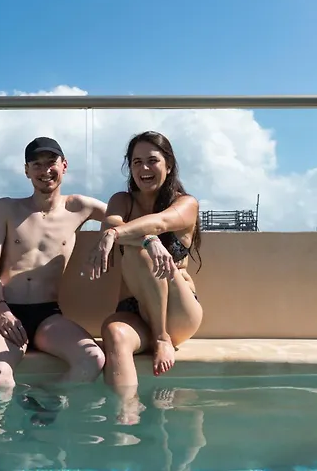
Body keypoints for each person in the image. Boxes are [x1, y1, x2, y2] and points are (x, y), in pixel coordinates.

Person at [86, 130, 203, 421]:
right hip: (134, 311)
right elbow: (112, 223)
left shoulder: (186, 204)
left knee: (139, 252)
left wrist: (126, 236)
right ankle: (126, 412)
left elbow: (161, 222)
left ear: (169, 165)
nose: (144, 168)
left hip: (177, 313)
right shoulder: (122, 201)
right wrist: (147, 240)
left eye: (152, 160)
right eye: (136, 162)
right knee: (113, 332)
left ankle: (161, 338)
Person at [0, 136, 108, 389]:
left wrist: (110, 236)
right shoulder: (6, 208)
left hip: (47, 316)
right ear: (27, 170)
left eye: (51, 162)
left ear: (64, 165)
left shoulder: (79, 207)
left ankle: (44, 399)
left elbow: (123, 218)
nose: (45, 170)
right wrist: (1, 310)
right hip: (4, 309)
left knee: (93, 360)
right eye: (36, 164)